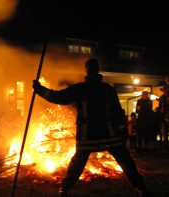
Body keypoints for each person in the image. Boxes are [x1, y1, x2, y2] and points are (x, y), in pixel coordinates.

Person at [32, 58, 149, 197]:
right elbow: (117, 112)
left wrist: (40, 90)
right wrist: (41, 90)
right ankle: (140, 187)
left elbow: (59, 97)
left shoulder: (83, 89)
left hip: (92, 134)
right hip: (107, 134)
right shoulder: (106, 89)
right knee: (122, 160)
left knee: (81, 162)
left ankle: (65, 188)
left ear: (87, 70)